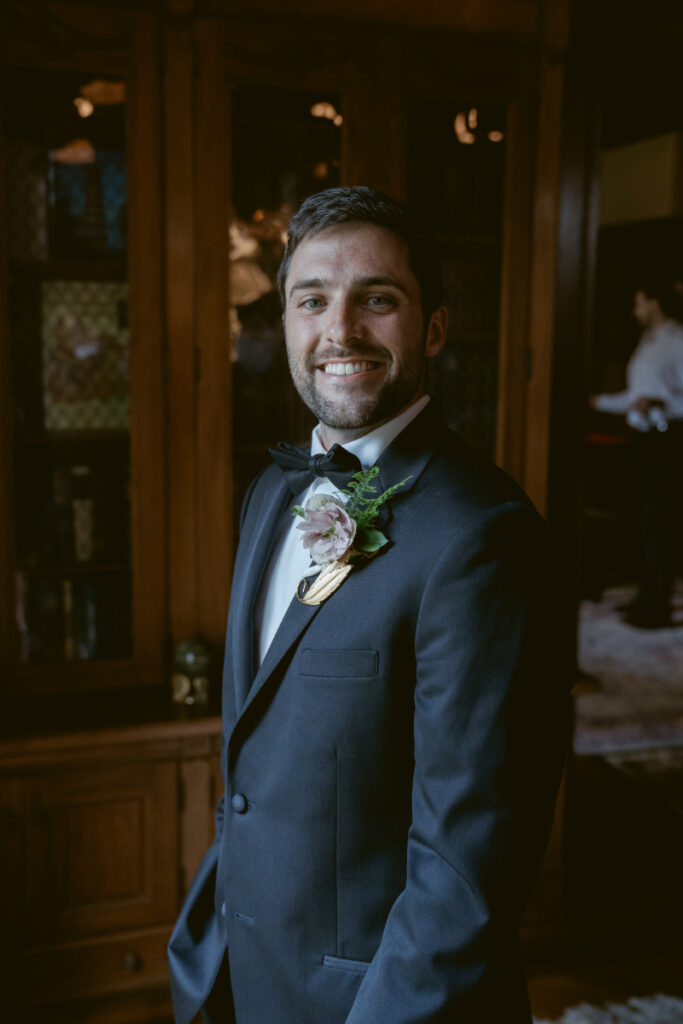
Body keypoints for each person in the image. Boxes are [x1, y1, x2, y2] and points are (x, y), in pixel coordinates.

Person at [168, 186, 570, 1024]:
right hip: (246, 977)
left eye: (376, 300)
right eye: (312, 300)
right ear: (282, 324)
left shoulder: (484, 538)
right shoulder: (270, 496)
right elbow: (256, 775)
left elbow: (466, 866)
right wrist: (206, 953)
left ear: (432, 328)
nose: (339, 331)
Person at [591, 279, 683, 628]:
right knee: (643, 521)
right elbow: (636, 395)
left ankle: (658, 604)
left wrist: (659, 402)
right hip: (641, 441)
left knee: (658, 522)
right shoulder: (646, 342)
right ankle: (647, 595)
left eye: (638, 303)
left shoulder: (678, 342)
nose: (634, 311)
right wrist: (598, 402)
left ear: (655, 303)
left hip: (665, 441)